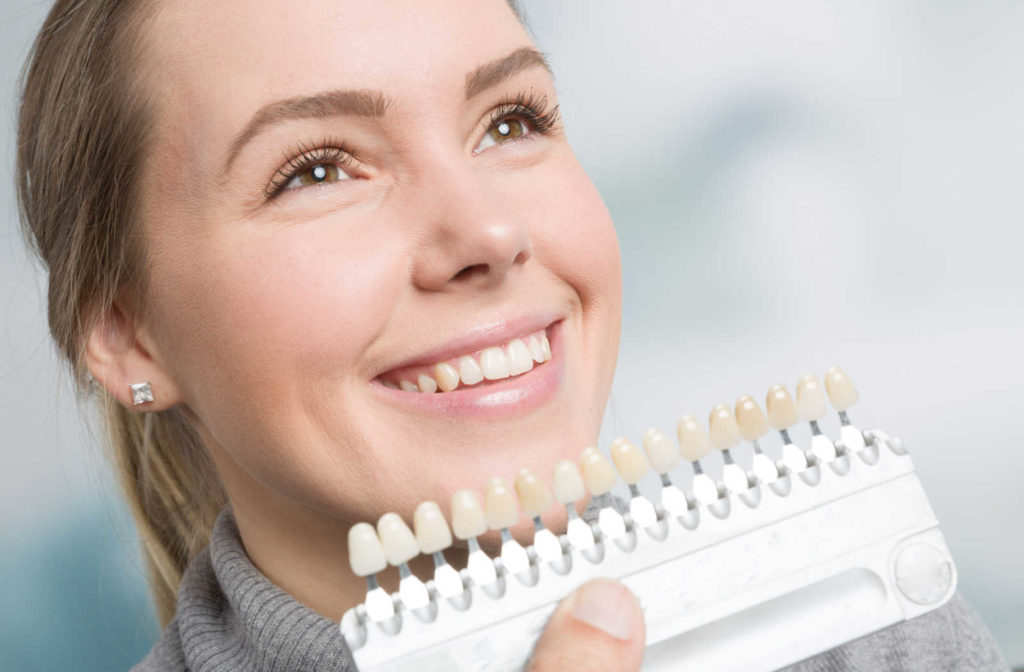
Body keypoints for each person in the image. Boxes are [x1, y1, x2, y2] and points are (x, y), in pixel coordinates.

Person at [15, 1, 1009, 670]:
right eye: (316, 169)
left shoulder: (877, 630)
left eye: (511, 121)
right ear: (126, 335)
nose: (489, 231)